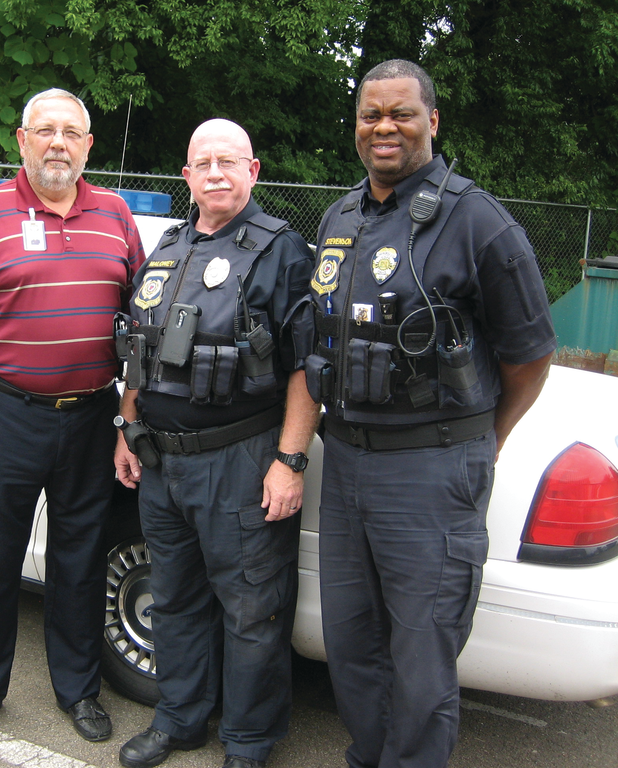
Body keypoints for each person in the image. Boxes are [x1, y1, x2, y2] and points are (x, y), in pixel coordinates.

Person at [301, 60, 556, 768]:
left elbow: (529, 356)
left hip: (431, 471)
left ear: (432, 121)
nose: (384, 126)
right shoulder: (341, 216)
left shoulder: (477, 220)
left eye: (401, 113)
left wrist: (483, 440)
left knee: (421, 659)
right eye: (370, 114)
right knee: (351, 644)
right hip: (347, 461)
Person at [0, 88, 145, 746]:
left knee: (80, 562)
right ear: (21, 141)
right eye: (44, 130)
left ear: (88, 146)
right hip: (5, 415)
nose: (58, 142)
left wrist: (126, 420)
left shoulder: (116, 215)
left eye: (70, 132)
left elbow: (142, 329)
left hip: (89, 419)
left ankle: (78, 690)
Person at [114, 119, 319, 768]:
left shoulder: (281, 249)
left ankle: (249, 743)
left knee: (251, 608)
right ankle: (179, 719)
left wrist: (289, 462)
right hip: (159, 461)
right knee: (173, 598)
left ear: (253, 171)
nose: (216, 174)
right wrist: (126, 425)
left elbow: (304, 367)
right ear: (187, 178)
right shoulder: (170, 248)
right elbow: (139, 353)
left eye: (228, 162)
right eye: (203, 163)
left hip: (240, 461)